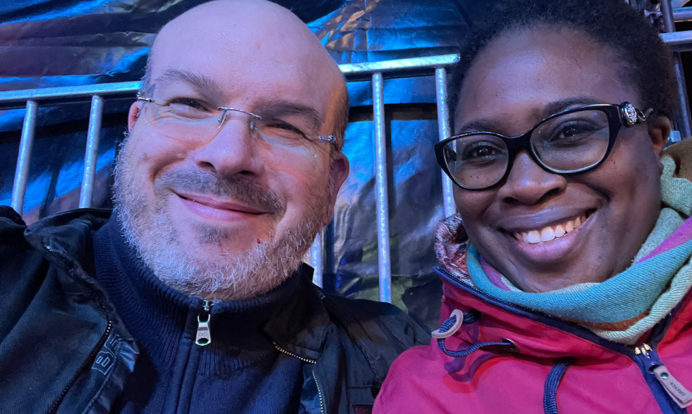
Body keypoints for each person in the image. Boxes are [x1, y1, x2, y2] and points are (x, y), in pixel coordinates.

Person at [0, 1, 428, 412]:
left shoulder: (401, 364)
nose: (229, 155)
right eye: (189, 105)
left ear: (333, 183)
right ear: (135, 128)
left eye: (285, 127)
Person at [374, 0, 692, 412]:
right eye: (483, 151)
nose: (525, 185)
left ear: (654, 139)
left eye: (571, 132)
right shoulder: (429, 393)